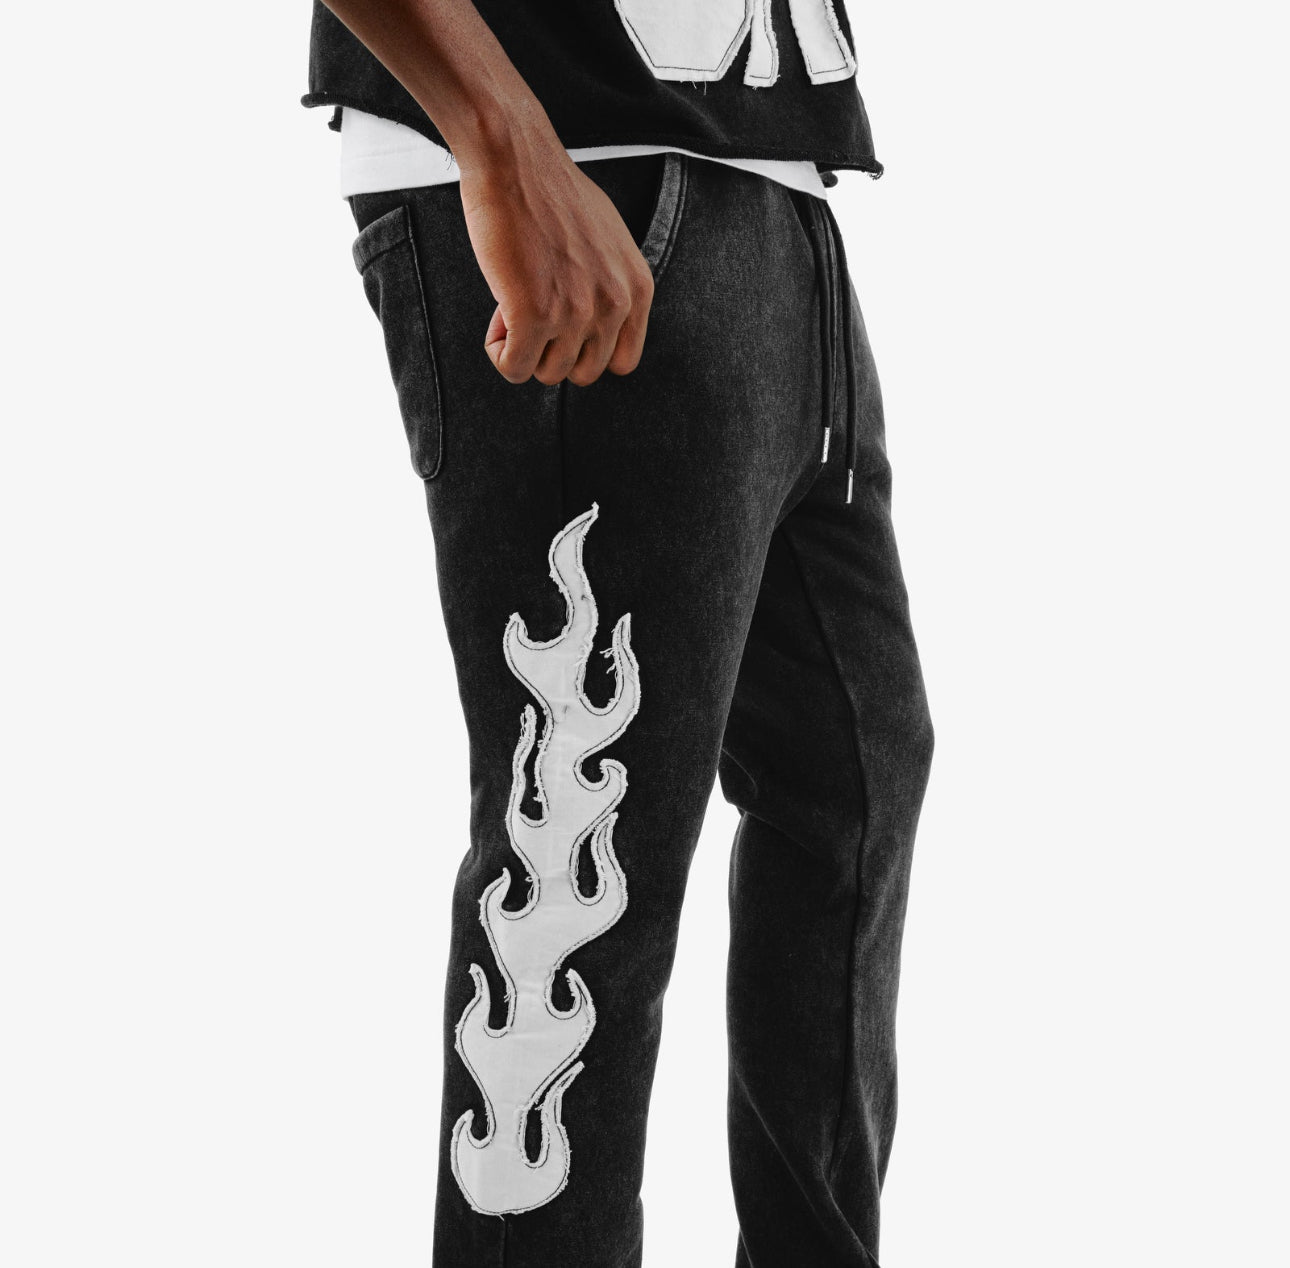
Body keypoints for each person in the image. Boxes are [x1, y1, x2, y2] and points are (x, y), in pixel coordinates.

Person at [303, 2, 934, 1264]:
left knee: (853, 780)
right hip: (589, 184)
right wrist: (499, 138)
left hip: (772, 185)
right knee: (579, 866)